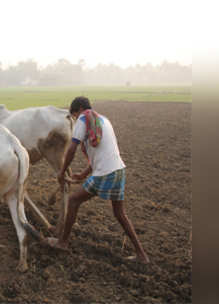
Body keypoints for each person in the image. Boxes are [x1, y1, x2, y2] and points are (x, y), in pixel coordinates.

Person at [47, 96, 150, 263]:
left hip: (105, 173)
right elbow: (103, 153)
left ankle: (62, 243)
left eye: (74, 115)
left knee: (73, 201)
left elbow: (72, 149)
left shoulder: (83, 118)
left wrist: (62, 171)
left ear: (79, 110)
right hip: (118, 170)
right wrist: (83, 174)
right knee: (120, 213)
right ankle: (141, 255)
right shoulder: (103, 120)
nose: (74, 119)